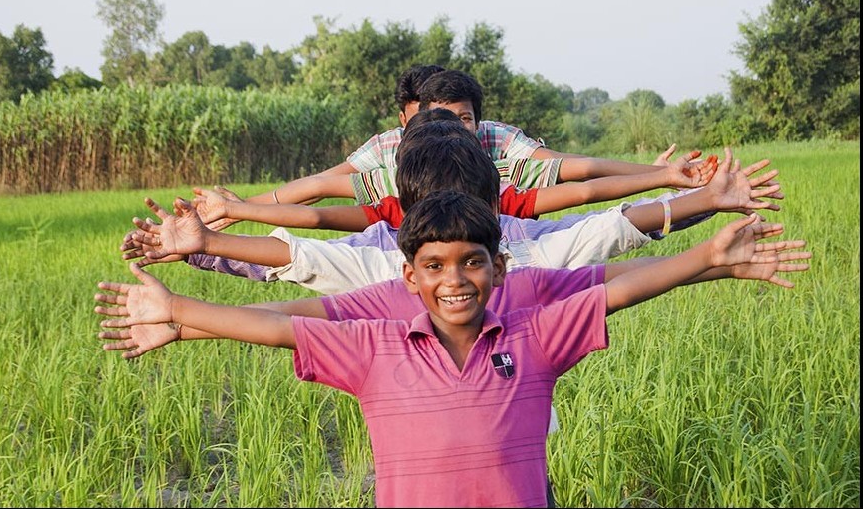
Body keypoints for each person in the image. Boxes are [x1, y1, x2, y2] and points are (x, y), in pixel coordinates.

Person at [95, 190, 809, 507]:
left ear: (500, 266)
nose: (455, 280)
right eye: (434, 266)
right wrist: (177, 311)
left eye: (472, 261)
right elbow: (286, 324)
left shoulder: (534, 335)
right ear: (409, 276)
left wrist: (711, 255)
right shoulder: (377, 346)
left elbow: (616, 288)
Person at [122, 136, 782, 295]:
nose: (452, 279)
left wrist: (703, 205)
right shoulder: (390, 260)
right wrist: (207, 240)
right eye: (434, 260)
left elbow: (605, 222)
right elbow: (302, 251)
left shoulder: (521, 254)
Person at [182, 115, 716, 233]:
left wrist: (665, 177)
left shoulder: (502, 185)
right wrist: (233, 210)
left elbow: (586, 182)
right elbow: (320, 201)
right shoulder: (393, 202)